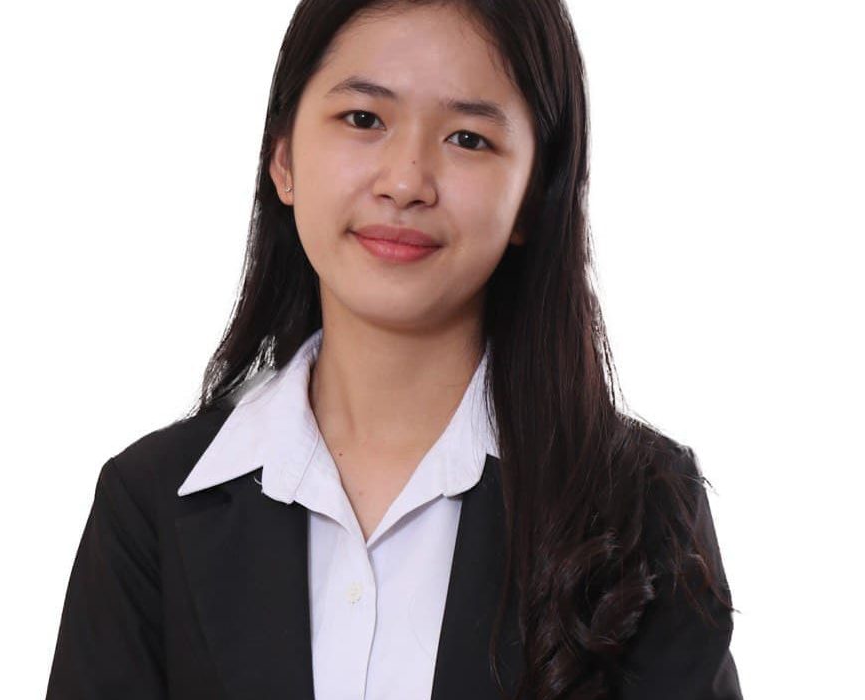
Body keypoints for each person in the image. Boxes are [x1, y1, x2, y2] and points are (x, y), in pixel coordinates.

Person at [45, 1, 743, 698]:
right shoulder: (149, 508)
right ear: (283, 158)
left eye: (468, 138)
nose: (405, 182)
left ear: (534, 195)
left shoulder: (642, 510)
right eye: (363, 119)